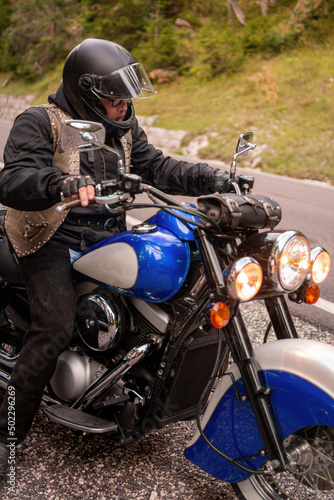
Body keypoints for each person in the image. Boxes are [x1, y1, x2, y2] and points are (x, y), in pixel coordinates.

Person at [0, 38, 230, 474]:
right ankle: (8, 435)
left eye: (126, 98)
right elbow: (14, 177)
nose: (123, 106)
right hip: (49, 238)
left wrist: (212, 177)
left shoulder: (123, 128)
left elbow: (159, 167)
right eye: (113, 99)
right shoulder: (40, 121)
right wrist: (57, 183)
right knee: (53, 328)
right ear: (85, 91)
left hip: (102, 235)